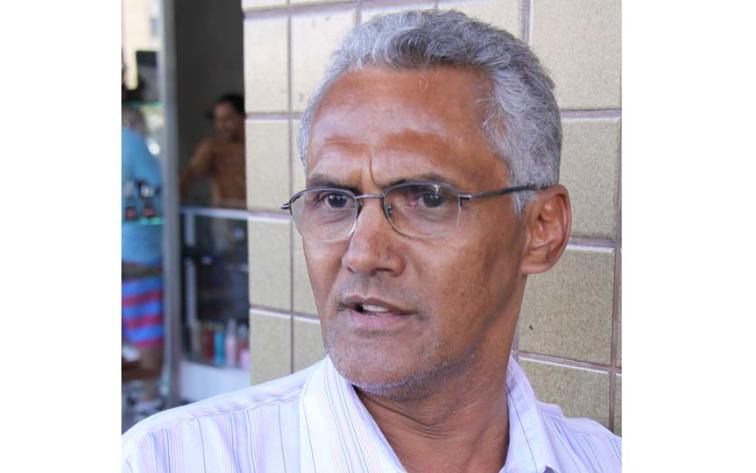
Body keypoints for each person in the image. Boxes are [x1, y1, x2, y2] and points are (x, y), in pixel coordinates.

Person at [123, 10, 621, 472]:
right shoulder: (169, 460)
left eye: (427, 198)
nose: (362, 254)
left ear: (541, 229)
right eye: (334, 200)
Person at [121, 105, 165, 419]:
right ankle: (149, 397)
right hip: (137, 247)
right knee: (145, 324)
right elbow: (158, 181)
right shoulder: (130, 141)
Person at [179, 93, 246, 209]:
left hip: (260, 214)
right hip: (226, 215)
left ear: (244, 117)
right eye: (217, 120)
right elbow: (190, 175)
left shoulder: (258, 146)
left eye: (227, 119)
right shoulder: (212, 147)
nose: (221, 126)